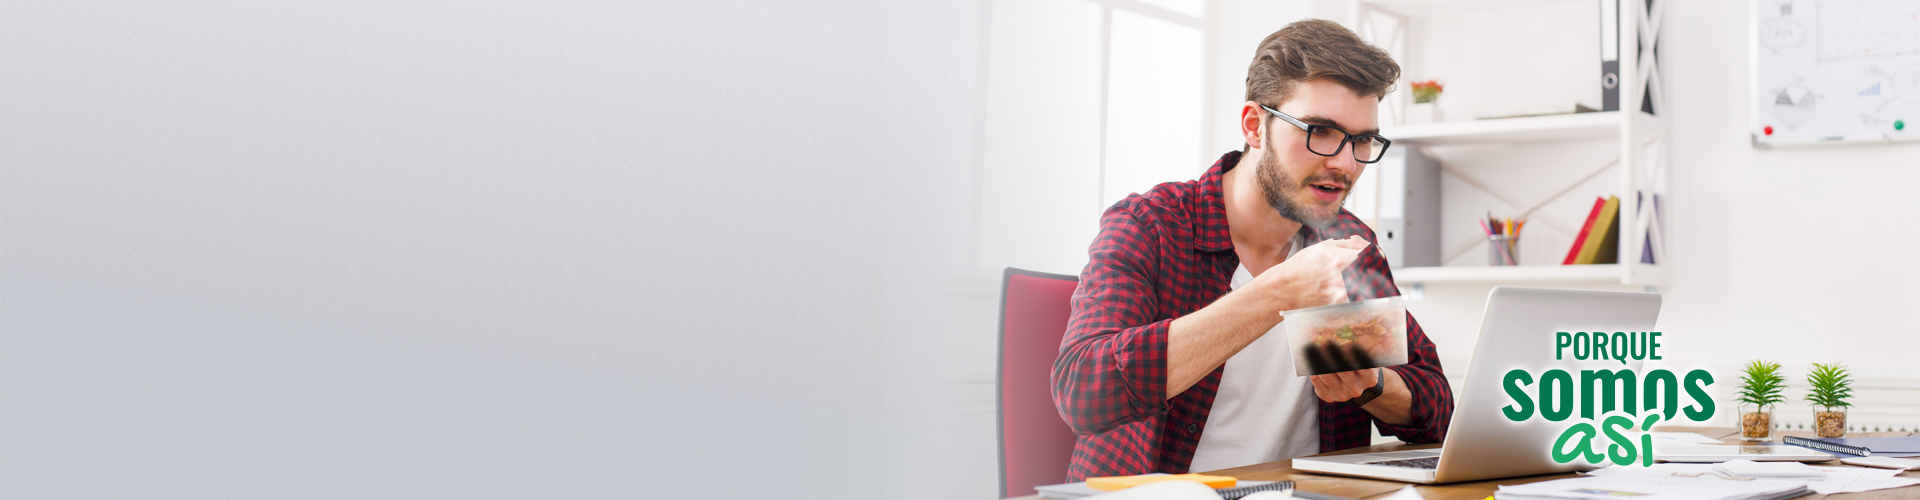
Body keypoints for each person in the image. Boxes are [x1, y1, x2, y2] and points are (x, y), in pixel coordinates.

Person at [1050, 19, 1454, 481]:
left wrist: (1373, 385)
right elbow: (1082, 390)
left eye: (1362, 140)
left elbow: (1437, 404)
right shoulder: (1153, 226)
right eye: (1320, 130)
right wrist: (1275, 295)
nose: (1344, 163)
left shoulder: (1346, 246)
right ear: (1254, 126)